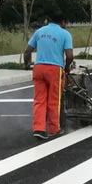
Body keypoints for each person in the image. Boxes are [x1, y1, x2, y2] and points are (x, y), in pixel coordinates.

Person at [23, 12, 73, 140]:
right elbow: (69, 56)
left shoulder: (39, 31)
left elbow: (27, 51)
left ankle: (39, 128)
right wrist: (66, 67)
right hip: (55, 69)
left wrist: (27, 64)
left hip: (38, 68)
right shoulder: (65, 34)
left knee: (39, 100)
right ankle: (53, 129)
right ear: (62, 22)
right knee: (54, 100)